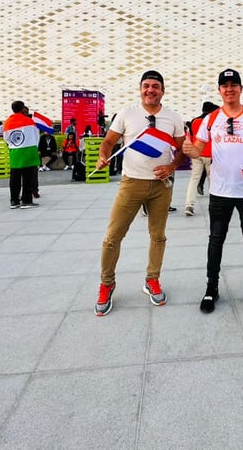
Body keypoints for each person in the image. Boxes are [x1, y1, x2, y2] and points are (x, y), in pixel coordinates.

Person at [93, 70, 185, 316]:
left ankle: (152, 279)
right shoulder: (127, 113)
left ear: (163, 91)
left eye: (155, 86)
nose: (150, 90)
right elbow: (109, 142)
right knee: (112, 237)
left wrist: (172, 166)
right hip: (131, 183)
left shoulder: (173, 117)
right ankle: (107, 283)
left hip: (160, 187)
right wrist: (103, 155)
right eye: (146, 86)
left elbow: (182, 149)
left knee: (158, 236)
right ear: (140, 89)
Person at [183, 68, 243, 315]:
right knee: (215, 241)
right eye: (225, 85)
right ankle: (211, 289)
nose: (229, 88)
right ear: (220, 90)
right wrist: (189, 149)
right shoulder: (211, 119)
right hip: (220, 192)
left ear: (241, 89)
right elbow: (199, 148)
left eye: (234, 84)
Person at [4, 100, 40, 209]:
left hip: (15, 152)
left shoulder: (7, 122)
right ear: (22, 108)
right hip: (28, 152)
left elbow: (6, 138)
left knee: (14, 178)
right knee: (27, 178)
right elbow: (35, 136)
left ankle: (14, 201)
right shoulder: (29, 121)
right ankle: (26, 200)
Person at [185, 102, 219, 216]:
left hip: (196, 154)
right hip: (210, 155)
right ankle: (214, 206)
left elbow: (192, 136)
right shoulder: (212, 121)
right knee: (213, 181)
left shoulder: (194, 121)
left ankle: (189, 205)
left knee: (194, 179)